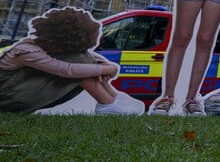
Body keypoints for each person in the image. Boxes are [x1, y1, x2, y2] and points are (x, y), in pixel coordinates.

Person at [0, 7, 143, 114]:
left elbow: (89, 56)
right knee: (76, 65)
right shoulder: (27, 51)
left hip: (17, 94)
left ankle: (113, 98)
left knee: (80, 58)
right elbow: (66, 70)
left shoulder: (48, 45)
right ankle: (107, 103)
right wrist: (110, 69)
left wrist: (103, 65)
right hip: (6, 99)